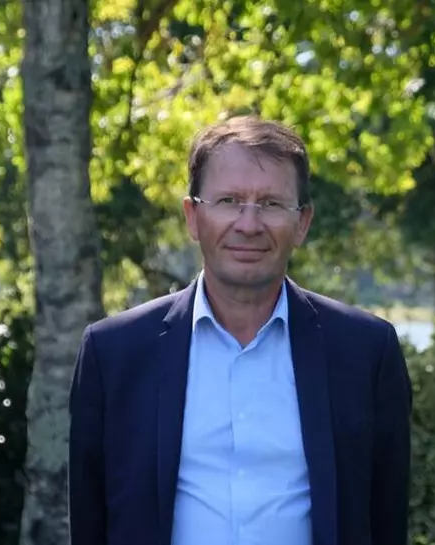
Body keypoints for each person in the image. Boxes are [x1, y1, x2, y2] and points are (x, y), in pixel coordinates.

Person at [67, 115, 413, 545]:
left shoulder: (365, 353)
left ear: (302, 222)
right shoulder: (114, 354)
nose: (248, 225)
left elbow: (386, 519)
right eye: (228, 201)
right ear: (193, 217)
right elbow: (89, 523)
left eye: (271, 204)